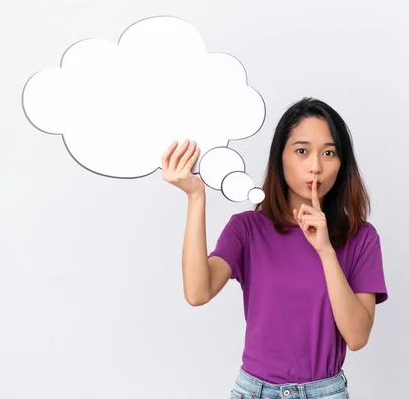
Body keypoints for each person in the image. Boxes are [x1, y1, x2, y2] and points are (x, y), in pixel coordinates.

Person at [161, 97, 388, 399]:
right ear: (280, 158)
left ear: (342, 163)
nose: (316, 167)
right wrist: (195, 197)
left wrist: (325, 251)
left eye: (329, 153)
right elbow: (197, 292)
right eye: (302, 151)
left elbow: (357, 337)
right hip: (254, 392)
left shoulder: (361, 237)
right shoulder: (247, 229)